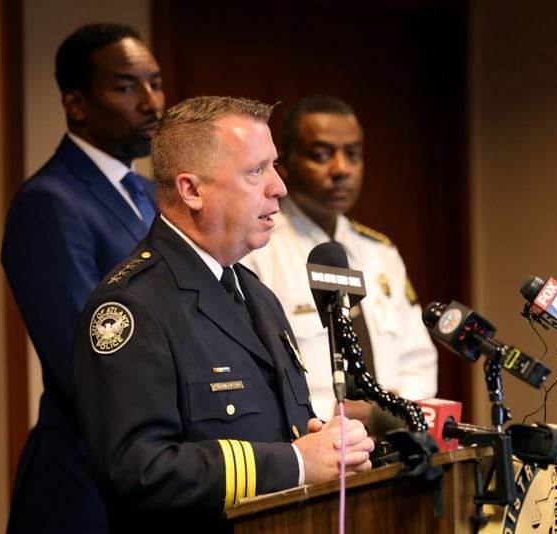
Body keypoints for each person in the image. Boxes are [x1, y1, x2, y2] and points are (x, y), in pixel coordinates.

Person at [72, 96, 374, 530]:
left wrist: (328, 448)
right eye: (256, 171)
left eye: (274, 165)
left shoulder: (256, 295)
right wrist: (294, 463)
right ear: (191, 190)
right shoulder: (131, 308)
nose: (279, 187)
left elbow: (279, 431)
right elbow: (138, 472)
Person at [1, 23, 163, 533]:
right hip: (85, 487)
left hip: (157, 476)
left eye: (155, 82)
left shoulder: (151, 193)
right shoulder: (50, 201)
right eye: (125, 86)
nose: (151, 101)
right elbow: (83, 362)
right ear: (76, 104)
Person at [241, 95, 438, 427]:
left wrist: (395, 413)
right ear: (284, 164)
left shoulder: (380, 252)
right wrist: (333, 413)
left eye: (353, 155)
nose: (341, 169)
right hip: (311, 439)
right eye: (321, 155)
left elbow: (417, 358)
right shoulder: (258, 251)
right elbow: (254, 370)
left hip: (395, 441)